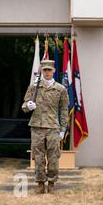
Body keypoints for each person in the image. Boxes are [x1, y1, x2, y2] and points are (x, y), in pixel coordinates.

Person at [22, 60, 69, 194]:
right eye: (45, 70)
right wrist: (28, 106)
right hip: (36, 126)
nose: (47, 72)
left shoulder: (60, 89)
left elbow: (64, 110)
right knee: (38, 157)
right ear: (42, 71)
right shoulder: (34, 87)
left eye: (49, 70)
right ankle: (40, 184)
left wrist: (63, 129)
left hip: (53, 127)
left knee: (53, 157)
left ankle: (52, 183)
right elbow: (24, 105)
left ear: (54, 71)